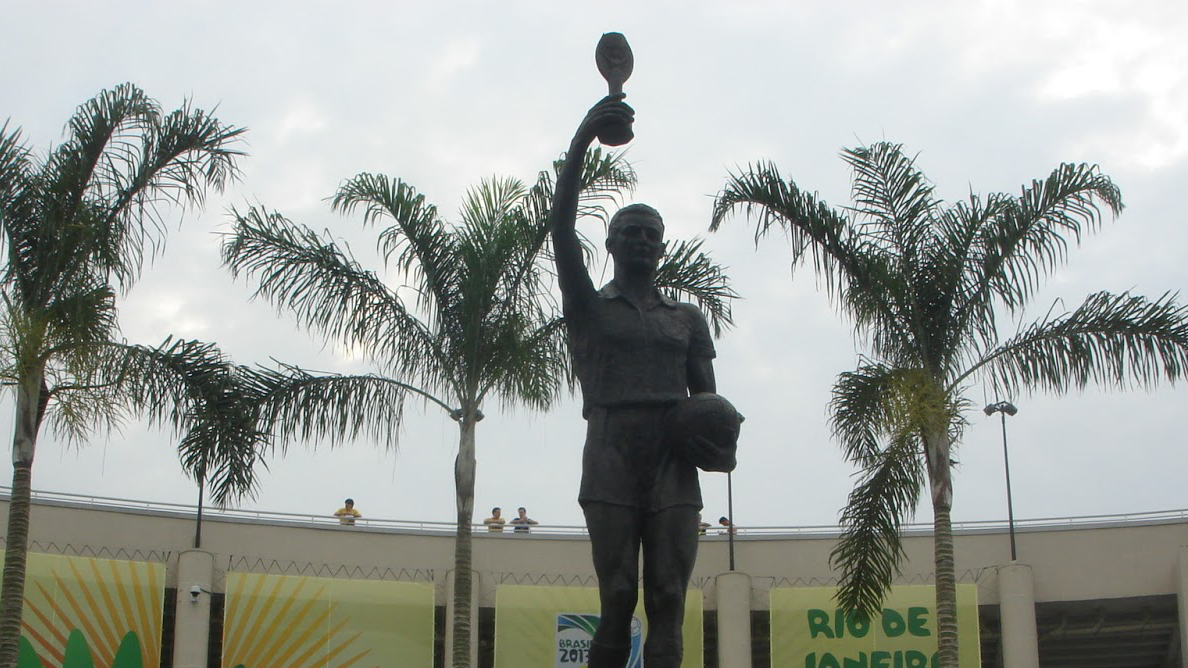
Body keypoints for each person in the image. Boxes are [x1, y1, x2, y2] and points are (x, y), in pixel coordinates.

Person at [549, 94, 720, 668]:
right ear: (612, 244)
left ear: (662, 247)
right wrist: (581, 141)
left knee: (668, 597)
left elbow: (709, 402)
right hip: (611, 450)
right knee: (618, 596)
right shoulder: (589, 308)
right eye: (632, 232)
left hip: (672, 458)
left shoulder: (686, 319)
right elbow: (561, 228)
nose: (643, 240)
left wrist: (718, 442)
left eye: (652, 234)